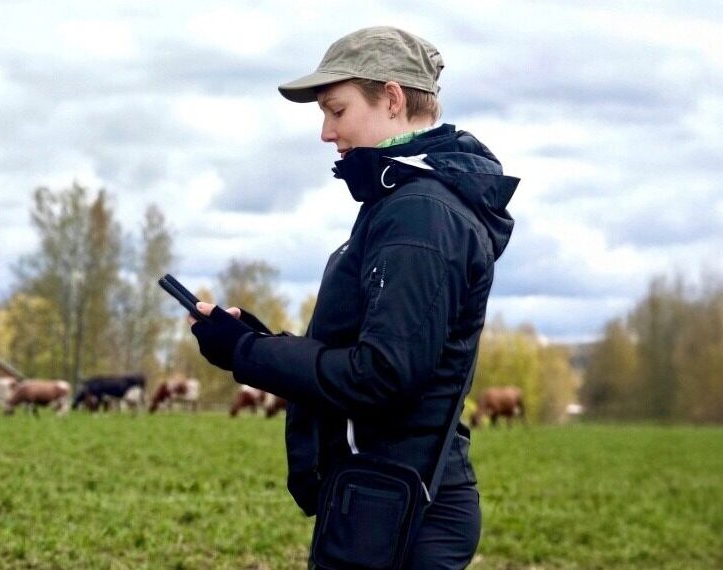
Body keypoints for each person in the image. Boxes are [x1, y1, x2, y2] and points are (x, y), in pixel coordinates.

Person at [187, 26, 518, 569]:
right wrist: (256, 341)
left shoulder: (421, 214)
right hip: (381, 498)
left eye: (335, 111)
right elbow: (373, 349)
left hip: (401, 508)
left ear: (391, 99)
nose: (324, 131)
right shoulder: (401, 200)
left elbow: (383, 374)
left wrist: (247, 355)